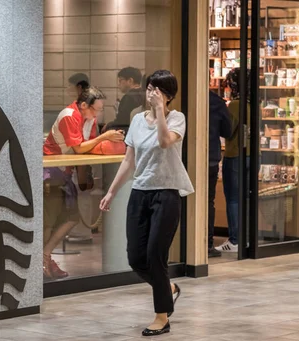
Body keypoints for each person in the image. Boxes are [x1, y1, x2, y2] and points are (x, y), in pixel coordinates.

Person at [99, 70, 194, 336]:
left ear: (168, 95)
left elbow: (165, 142)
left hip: (166, 193)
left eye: (157, 89)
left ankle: (161, 317)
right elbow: (129, 160)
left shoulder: (177, 119)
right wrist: (111, 192)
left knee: (155, 256)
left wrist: (161, 110)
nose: (151, 93)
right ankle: (170, 289)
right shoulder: (137, 120)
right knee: (136, 258)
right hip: (140, 193)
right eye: (149, 87)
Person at [43, 87, 125, 279]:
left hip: (65, 173)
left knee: (70, 217)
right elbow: (80, 148)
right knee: (50, 221)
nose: (97, 113)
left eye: (99, 110)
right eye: (94, 109)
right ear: (83, 105)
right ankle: (44, 257)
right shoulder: (69, 116)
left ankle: (45, 255)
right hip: (50, 173)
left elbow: (89, 147)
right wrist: (105, 137)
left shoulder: (89, 119)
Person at [215, 68, 251, 253]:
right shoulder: (255, 104)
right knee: (246, 196)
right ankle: (247, 237)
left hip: (235, 154)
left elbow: (227, 130)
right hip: (253, 155)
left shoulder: (236, 105)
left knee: (233, 198)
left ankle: (235, 240)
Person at [208, 90, 233, 258]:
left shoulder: (182, 96)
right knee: (208, 202)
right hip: (210, 157)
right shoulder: (216, 102)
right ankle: (207, 243)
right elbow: (228, 131)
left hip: (185, 158)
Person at [103, 67, 145, 133]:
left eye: (120, 80)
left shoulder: (128, 97)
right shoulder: (144, 94)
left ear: (130, 81)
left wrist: (108, 125)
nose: (118, 84)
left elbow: (121, 121)